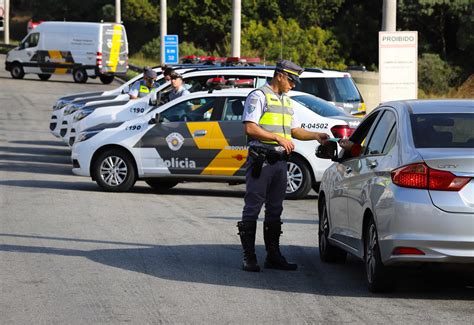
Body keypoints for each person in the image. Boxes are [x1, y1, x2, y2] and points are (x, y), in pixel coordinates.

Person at [237, 60, 330, 272]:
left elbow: (294, 131)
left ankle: (273, 256)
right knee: (252, 208)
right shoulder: (258, 96)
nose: (293, 85)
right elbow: (250, 128)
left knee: (275, 210)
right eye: (291, 80)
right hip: (261, 160)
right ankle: (249, 258)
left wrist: (316, 135)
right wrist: (277, 138)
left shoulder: (287, 102)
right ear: (279, 75)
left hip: (280, 163)